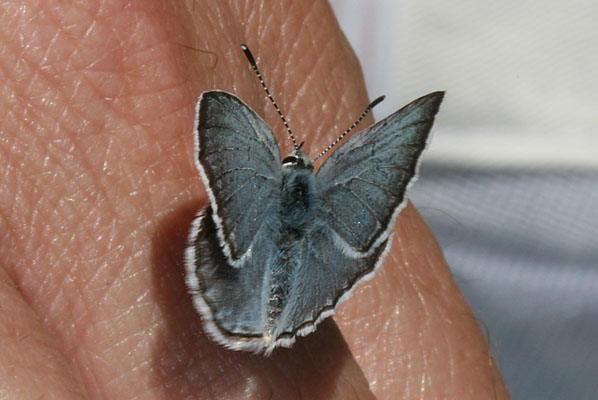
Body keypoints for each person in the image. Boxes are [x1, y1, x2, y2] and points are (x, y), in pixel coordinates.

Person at [0, 1, 509, 398]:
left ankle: (255, 313)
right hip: (323, 271)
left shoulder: (255, 149)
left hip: (251, 258)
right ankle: (287, 316)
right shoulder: (343, 173)